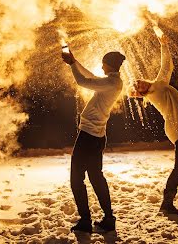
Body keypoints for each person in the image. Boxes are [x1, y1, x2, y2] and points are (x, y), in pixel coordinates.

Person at [130, 25, 178, 214]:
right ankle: (174, 201)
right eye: (138, 85)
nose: (140, 81)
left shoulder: (157, 86)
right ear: (141, 93)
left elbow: (167, 66)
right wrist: (163, 45)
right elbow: (167, 66)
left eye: (139, 80)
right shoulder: (156, 89)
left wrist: (163, 44)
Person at [62, 46, 126, 234]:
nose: (101, 65)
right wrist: (74, 62)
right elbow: (91, 77)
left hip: (88, 137)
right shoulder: (113, 81)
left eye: (103, 63)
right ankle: (108, 218)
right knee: (96, 178)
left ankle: (85, 221)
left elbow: (82, 81)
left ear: (108, 65)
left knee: (76, 180)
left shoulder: (111, 83)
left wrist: (71, 66)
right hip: (97, 136)